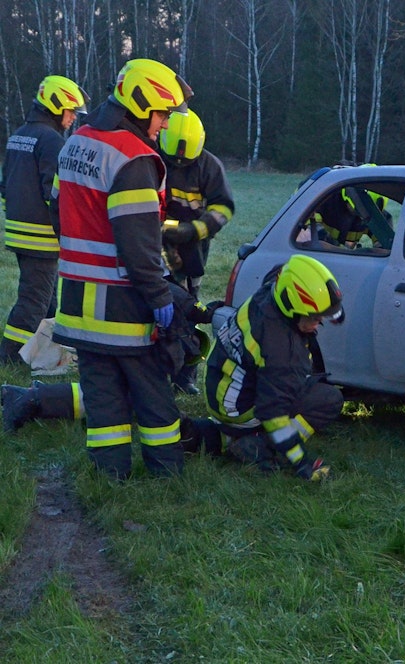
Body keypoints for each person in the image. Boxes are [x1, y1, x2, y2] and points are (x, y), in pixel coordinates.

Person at [51, 58, 193, 480]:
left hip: (77, 300)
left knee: (103, 397)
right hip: (122, 305)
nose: (165, 124)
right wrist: (160, 297)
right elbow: (139, 245)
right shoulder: (134, 158)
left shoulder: (77, 139)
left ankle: (109, 475)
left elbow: (58, 212)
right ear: (141, 104)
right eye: (163, 114)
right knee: (151, 392)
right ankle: (167, 473)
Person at [199, 255, 345, 482]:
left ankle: (232, 435)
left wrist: (332, 308)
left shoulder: (272, 290)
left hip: (220, 387)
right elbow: (273, 412)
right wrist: (301, 462)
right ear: (293, 310)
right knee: (328, 399)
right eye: (314, 317)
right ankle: (258, 446)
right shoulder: (282, 351)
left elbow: (287, 270)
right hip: (240, 409)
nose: (319, 322)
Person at [1, 281, 218, 433]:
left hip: (108, 321)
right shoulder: (163, 287)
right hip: (120, 328)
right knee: (121, 396)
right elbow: (160, 284)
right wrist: (201, 311)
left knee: (115, 393)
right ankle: (31, 398)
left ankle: (30, 397)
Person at [1, 75, 90, 365]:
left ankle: (43, 352)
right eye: (71, 111)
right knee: (34, 301)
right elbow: (56, 193)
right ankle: (10, 358)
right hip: (41, 235)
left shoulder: (19, 135)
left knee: (47, 298)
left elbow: (6, 184)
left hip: (19, 231)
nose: (73, 118)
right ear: (56, 106)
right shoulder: (52, 140)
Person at [158, 108, 235, 394]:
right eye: (173, 160)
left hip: (191, 253)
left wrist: (196, 230)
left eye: (184, 161)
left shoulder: (209, 166)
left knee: (190, 309)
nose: (178, 164)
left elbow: (224, 207)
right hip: (153, 245)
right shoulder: (152, 158)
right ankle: (156, 367)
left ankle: (186, 374)